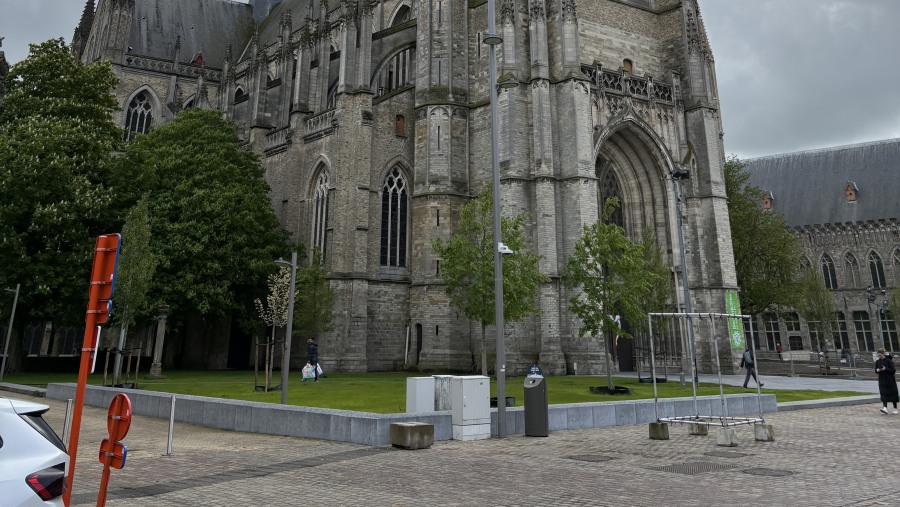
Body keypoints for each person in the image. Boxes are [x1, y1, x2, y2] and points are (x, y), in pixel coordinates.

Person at [875, 348, 898, 414]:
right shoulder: (878, 361)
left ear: (883, 354)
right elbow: (876, 370)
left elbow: (893, 370)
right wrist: (878, 370)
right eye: (878, 355)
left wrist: (885, 369)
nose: (879, 357)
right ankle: (885, 407)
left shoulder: (889, 361)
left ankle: (895, 408)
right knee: (883, 393)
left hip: (890, 380)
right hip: (882, 380)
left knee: (893, 394)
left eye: (880, 355)